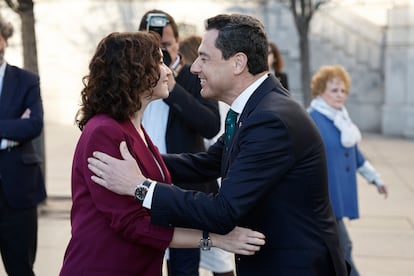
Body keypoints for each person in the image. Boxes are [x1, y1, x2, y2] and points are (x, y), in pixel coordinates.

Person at [88, 14, 349, 276]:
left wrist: (140, 187)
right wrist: (143, 161)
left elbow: (223, 211)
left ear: (238, 63)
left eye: (204, 58)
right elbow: (208, 163)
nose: (194, 68)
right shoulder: (259, 107)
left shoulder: (270, 119)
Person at [59, 31, 264, 276]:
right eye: (158, 62)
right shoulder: (104, 132)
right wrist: (215, 239)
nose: (168, 71)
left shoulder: (133, 127)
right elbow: (133, 224)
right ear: (133, 72)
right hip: (103, 266)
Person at [138, 10, 230, 276]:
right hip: (141, 189)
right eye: (153, 46)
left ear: (177, 42)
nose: (161, 53)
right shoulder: (132, 81)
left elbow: (211, 124)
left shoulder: (193, 75)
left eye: (165, 45)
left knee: (184, 269)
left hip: (182, 191)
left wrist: (172, 87)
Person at [308, 65, 388, 276]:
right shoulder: (312, 119)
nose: (340, 95)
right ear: (320, 91)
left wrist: (376, 179)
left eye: (343, 91)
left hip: (336, 201)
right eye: (334, 90)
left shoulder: (343, 120)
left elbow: (355, 156)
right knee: (343, 248)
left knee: (332, 250)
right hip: (321, 200)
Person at [0, 14, 46, 276]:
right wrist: (12, 127)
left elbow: (34, 125)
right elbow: (22, 127)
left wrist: (21, 126)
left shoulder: (27, 80)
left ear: (5, 38)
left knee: (21, 269)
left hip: (18, 193)